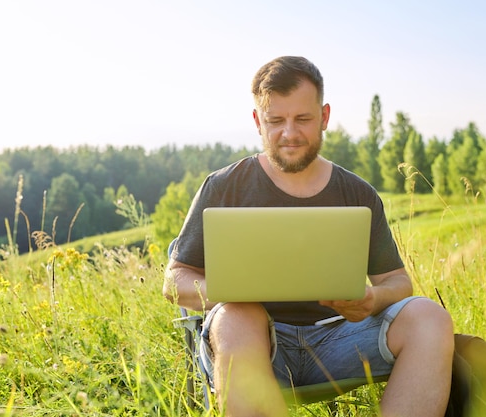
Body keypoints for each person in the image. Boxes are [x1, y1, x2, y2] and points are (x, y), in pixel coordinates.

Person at [163, 55, 454, 417]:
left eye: (302, 119)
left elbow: (397, 281)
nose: (290, 133)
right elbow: (175, 280)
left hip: (340, 339)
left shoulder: (357, 193)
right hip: (253, 346)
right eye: (275, 121)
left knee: (430, 317)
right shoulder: (225, 186)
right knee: (238, 316)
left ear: (325, 117)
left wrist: (373, 298)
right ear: (257, 122)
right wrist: (235, 293)